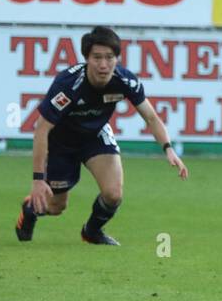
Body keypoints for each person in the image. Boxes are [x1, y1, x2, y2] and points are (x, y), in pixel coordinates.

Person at [15, 26, 188, 245]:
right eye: (97, 57)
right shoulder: (68, 85)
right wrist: (38, 181)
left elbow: (151, 118)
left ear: (117, 58)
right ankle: (30, 209)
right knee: (57, 207)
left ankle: (91, 232)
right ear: (87, 58)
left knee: (114, 193)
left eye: (109, 57)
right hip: (61, 142)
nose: (104, 65)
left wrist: (168, 148)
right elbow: (41, 128)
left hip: (95, 134)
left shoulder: (125, 81)